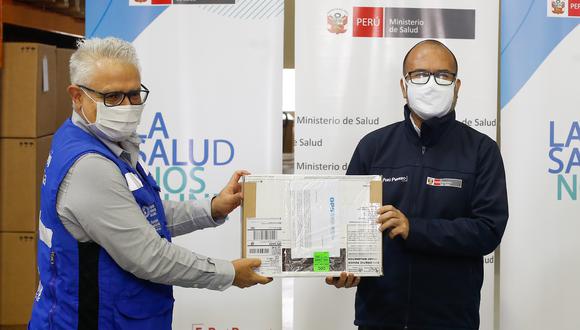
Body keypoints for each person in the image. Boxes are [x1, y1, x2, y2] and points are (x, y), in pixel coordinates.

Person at [28, 37, 271, 330]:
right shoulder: (90, 165)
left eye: (133, 94)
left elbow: (139, 214)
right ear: (77, 96)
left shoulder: (101, 140)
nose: (127, 106)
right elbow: (148, 255)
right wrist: (228, 273)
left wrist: (212, 208)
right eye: (112, 97)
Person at [326, 39, 508, 330]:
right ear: (403, 85)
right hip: (379, 317)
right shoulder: (373, 147)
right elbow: (342, 226)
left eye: (443, 75)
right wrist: (341, 267)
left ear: (457, 86)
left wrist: (415, 228)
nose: (431, 84)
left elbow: (488, 231)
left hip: (450, 320)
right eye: (419, 75)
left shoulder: (481, 150)